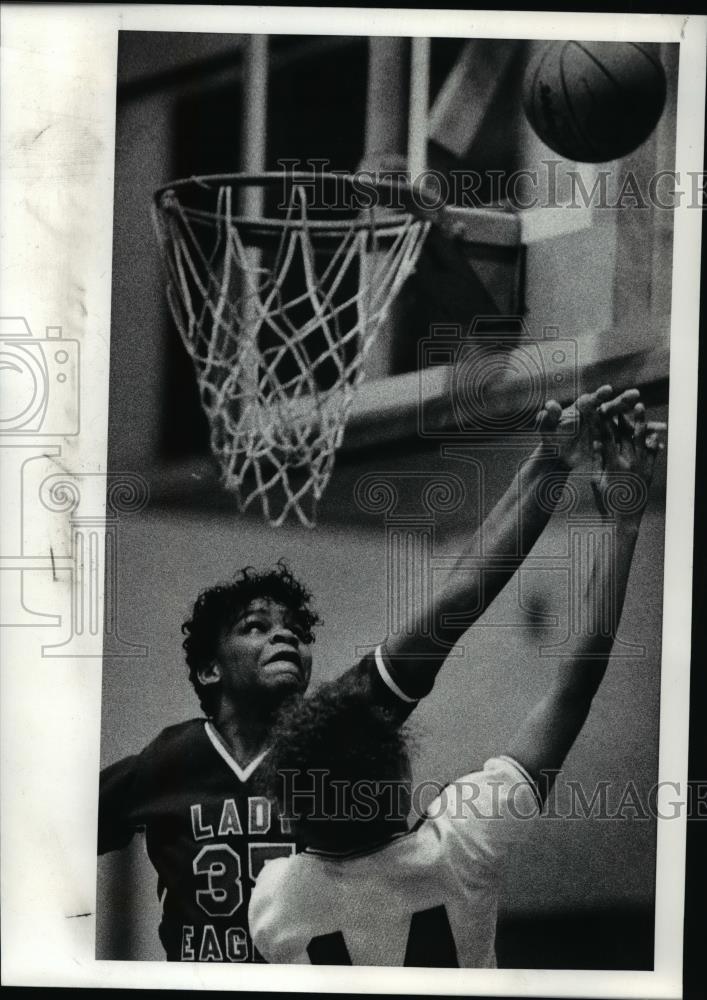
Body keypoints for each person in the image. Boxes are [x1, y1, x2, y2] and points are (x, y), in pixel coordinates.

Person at [98, 384, 641, 963]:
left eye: (299, 631)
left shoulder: (281, 893)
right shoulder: (165, 764)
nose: (285, 635)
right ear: (208, 668)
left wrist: (548, 466)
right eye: (255, 626)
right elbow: (571, 690)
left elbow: (457, 601)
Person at [248, 401, 665, 967]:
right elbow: (573, 681)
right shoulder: (466, 842)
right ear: (399, 777)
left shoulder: (273, 904)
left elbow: (576, 686)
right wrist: (620, 512)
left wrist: (582, 485)